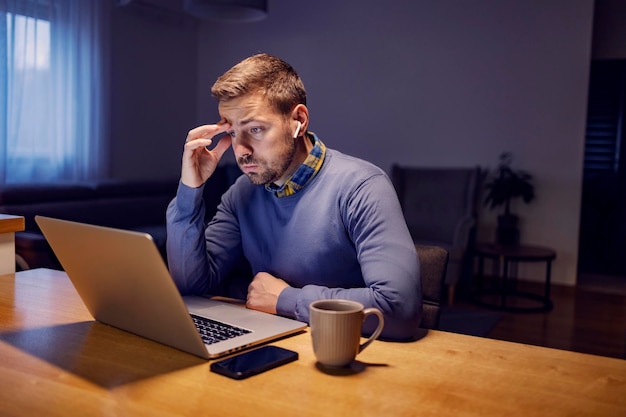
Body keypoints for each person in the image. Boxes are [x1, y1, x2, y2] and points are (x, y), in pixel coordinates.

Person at [166, 53, 421, 340]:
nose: (242, 150)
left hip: (344, 355)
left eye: (256, 130)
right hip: (268, 348)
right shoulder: (242, 194)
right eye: (234, 133)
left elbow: (399, 310)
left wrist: (285, 299)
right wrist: (190, 189)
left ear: (298, 120)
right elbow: (191, 288)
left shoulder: (362, 187)